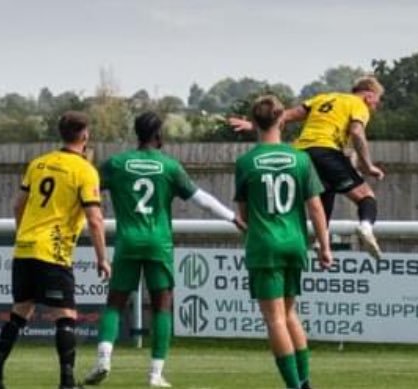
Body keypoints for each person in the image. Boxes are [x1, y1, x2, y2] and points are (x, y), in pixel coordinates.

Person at [84, 112, 244, 387]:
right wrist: (232, 217)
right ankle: (155, 374)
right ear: (158, 135)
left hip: (128, 241)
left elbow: (86, 188)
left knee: (115, 302)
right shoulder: (169, 167)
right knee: (162, 304)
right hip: (158, 243)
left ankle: (103, 360)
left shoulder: (117, 164)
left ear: (137, 134)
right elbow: (202, 200)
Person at [0, 112, 111, 389]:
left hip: (25, 249)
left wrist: (25, 235)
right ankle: (67, 382)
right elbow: (94, 219)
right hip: (53, 252)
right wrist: (102, 258)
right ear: (85, 135)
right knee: (65, 316)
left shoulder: (39, 163)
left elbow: (18, 205)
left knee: (20, 312)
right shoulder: (85, 170)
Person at [235, 96, 333, 389]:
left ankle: (294, 386)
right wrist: (325, 246)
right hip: (294, 243)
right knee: (290, 314)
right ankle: (305, 382)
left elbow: (243, 214)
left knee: (275, 319)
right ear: (281, 120)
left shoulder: (246, 162)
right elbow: (316, 207)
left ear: (254, 122)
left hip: (265, 244)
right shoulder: (301, 159)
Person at [229, 77, 385, 260]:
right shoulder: (358, 104)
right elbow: (357, 132)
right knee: (366, 196)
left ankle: (320, 240)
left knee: (325, 189)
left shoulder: (323, 98)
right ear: (369, 95)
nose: (375, 107)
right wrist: (367, 166)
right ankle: (365, 227)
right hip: (326, 151)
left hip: (300, 154)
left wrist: (254, 125)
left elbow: (284, 115)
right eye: (376, 101)